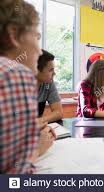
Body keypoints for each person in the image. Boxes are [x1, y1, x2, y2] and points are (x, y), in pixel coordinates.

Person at [0, 0, 55, 173]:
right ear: (14, 35)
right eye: (37, 38)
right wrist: (36, 148)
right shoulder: (14, 74)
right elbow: (14, 179)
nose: (39, 51)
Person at [36, 49, 63, 123]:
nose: (54, 74)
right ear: (37, 70)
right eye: (51, 70)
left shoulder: (48, 83)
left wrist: (38, 121)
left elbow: (59, 113)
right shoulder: (20, 85)